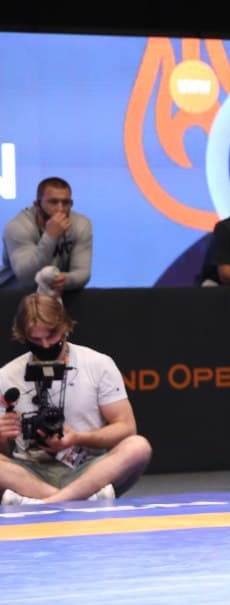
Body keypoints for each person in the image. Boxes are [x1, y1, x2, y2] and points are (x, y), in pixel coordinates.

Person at [0, 293, 152, 505]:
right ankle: (79, 499)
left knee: (138, 447)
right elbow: (5, 453)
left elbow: (126, 428)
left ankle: (44, 503)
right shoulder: (6, 375)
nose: (45, 345)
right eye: (35, 339)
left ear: (65, 326)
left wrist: (77, 438)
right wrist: (2, 436)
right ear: (23, 335)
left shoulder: (99, 364)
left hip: (88, 469)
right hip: (30, 471)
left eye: (51, 336)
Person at [0, 176, 93, 295]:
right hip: (14, 294)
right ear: (37, 205)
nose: (60, 209)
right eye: (53, 202)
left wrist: (66, 280)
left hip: (57, 293)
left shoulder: (81, 224)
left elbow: (83, 272)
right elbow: (27, 278)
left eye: (66, 203)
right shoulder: (18, 227)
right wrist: (50, 237)